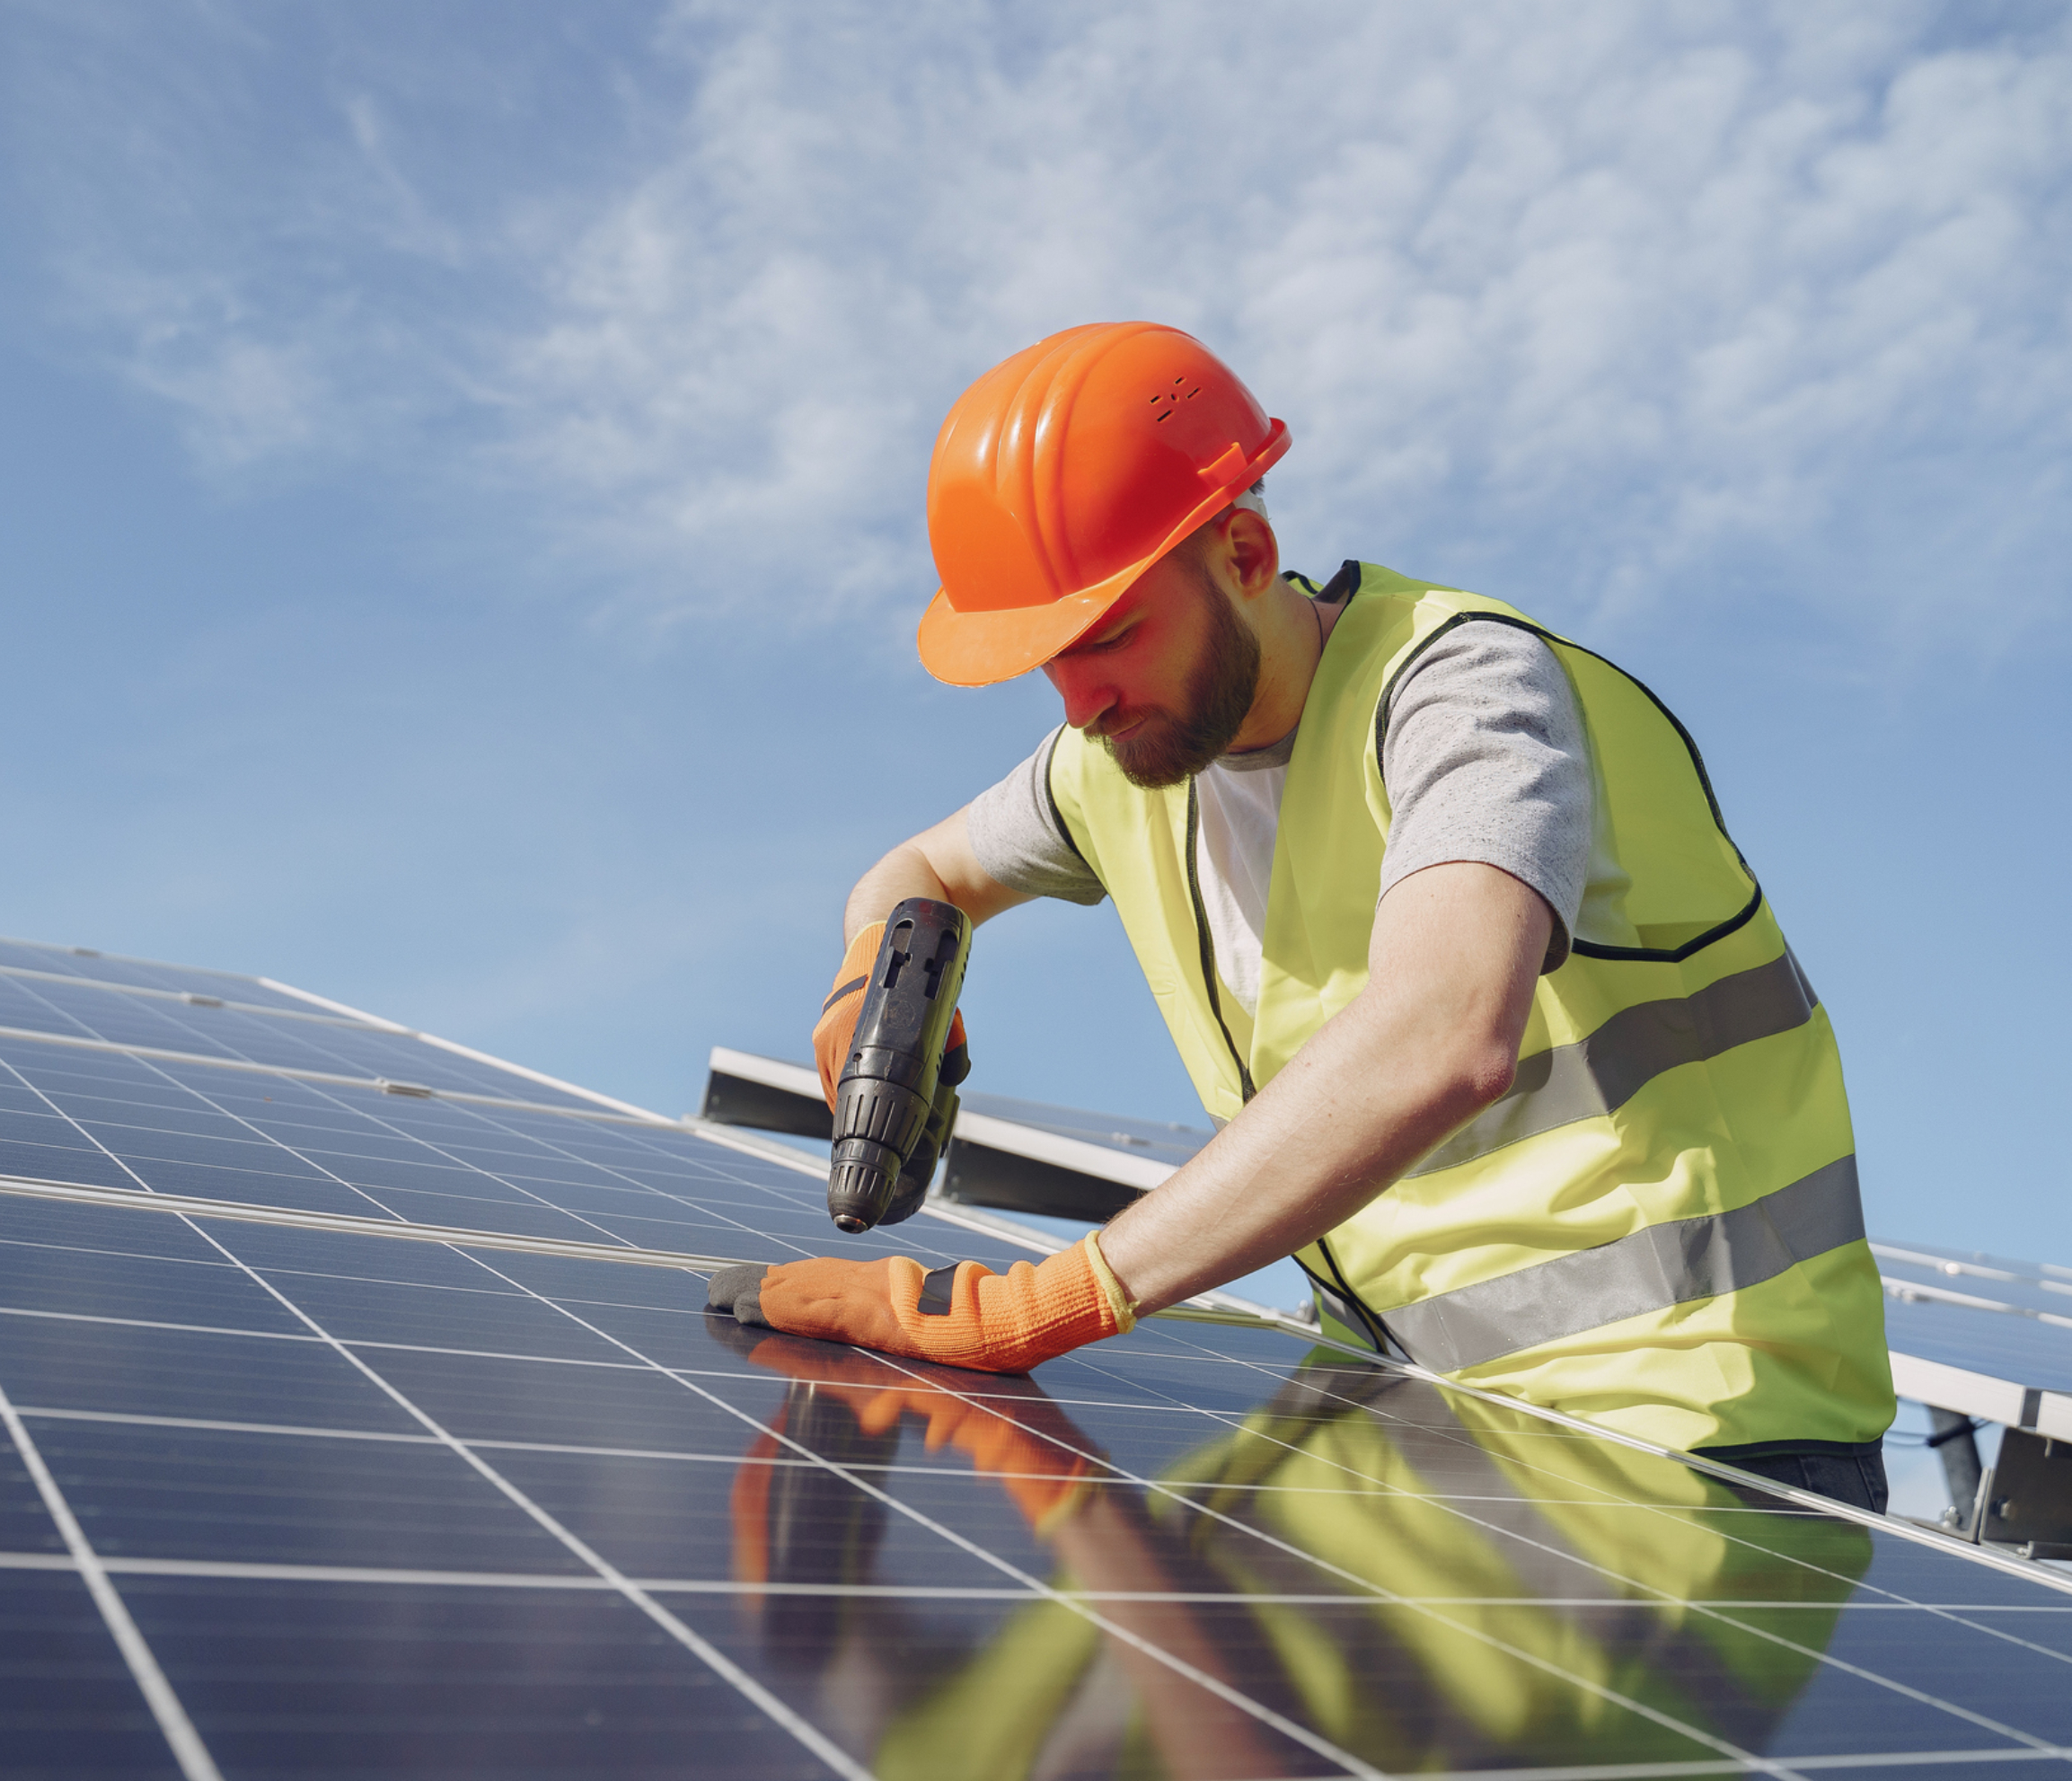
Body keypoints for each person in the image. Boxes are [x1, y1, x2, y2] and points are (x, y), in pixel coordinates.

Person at [707, 322, 1894, 1507]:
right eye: (1047, 658)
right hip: (1416, 1423)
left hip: (1694, 1440)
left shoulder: (1462, 691)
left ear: (1245, 549)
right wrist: (882, 967)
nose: (1080, 703)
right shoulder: (1113, 761)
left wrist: (1037, 1304)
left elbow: (1447, 1031)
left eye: (1111, 634)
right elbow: (919, 865)